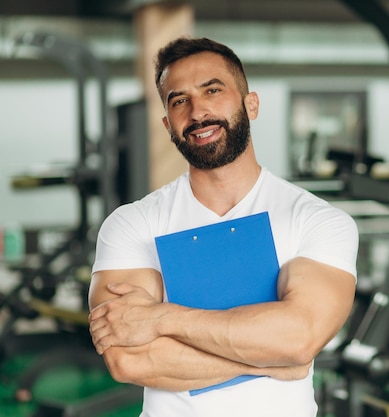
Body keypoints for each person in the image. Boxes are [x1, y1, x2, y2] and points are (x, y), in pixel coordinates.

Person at [87, 36, 359, 417]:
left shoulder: (315, 219)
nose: (197, 112)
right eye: (179, 100)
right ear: (168, 123)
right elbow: (130, 361)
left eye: (212, 90)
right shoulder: (133, 223)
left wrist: (160, 317)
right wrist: (263, 360)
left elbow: (298, 340)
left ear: (251, 104)